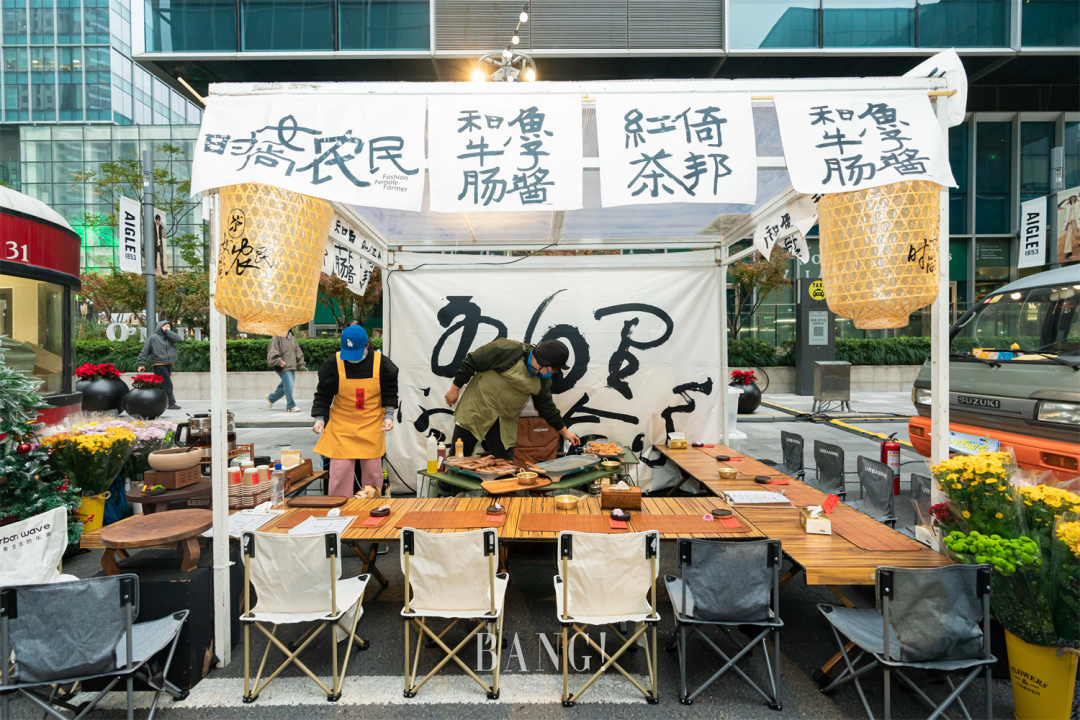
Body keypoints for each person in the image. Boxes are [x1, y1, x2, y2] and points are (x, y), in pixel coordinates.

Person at [444, 338, 580, 461]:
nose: (553, 373)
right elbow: (472, 360)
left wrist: (565, 432)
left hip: (504, 420)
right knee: (458, 458)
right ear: (544, 362)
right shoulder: (509, 350)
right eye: (553, 369)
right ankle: (450, 481)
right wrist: (454, 389)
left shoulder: (543, 380)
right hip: (476, 408)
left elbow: (546, 407)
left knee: (504, 465)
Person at [312, 325, 398, 496]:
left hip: (371, 423)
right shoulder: (333, 364)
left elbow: (390, 393)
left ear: (367, 345)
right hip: (342, 424)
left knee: (373, 470)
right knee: (340, 470)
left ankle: (372, 507)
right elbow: (323, 394)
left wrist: (388, 416)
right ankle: (339, 508)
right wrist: (319, 419)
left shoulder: (382, 364)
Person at [137, 320, 181, 410]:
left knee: (162, 384)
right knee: (167, 383)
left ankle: (159, 402)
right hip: (158, 363)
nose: (168, 328)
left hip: (168, 363)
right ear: (160, 327)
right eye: (165, 326)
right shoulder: (153, 338)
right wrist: (141, 364)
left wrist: (167, 332)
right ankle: (171, 403)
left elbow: (178, 339)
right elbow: (145, 351)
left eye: (169, 327)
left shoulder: (169, 337)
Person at [266, 329, 305, 412]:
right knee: (289, 385)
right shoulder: (277, 337)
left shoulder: (292, 337)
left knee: (286, 386)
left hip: (292, 366)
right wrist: (279, 361)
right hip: (283, 366)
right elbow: (272, 351)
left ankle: (271, 398)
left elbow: (297, 351)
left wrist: (301, 363)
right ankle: (290, 406)